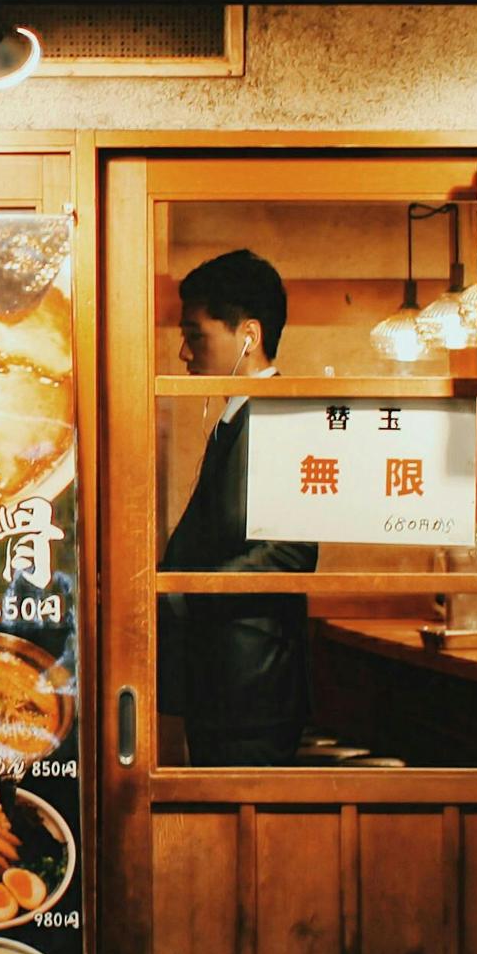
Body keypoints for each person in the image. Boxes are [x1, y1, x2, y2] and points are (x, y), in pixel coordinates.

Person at [158, 249, 314, 766]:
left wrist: (184, 593)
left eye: (196, 334)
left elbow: (289, 554)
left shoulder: (277, 416)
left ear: (249, 334)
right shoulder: (241, 414)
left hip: (252, 688)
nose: (184, 352)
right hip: (225, 679)